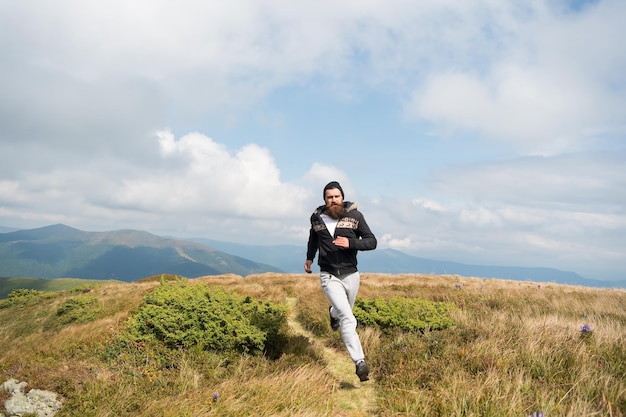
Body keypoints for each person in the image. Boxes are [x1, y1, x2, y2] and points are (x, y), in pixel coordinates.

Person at [304, 181, 377, 382]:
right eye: (329, 197)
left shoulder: (355, 216)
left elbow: (372, 241)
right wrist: (309, 258)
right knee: (349, 318)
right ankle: (360, 362)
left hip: (351, 275)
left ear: (342, 197)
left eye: (336, 196)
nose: (333, 200)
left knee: (343, 312)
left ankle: (332, 312)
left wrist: (351, 243)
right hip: (329, 275)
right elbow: (313, 239)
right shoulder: (316, 217)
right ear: (325, 199)